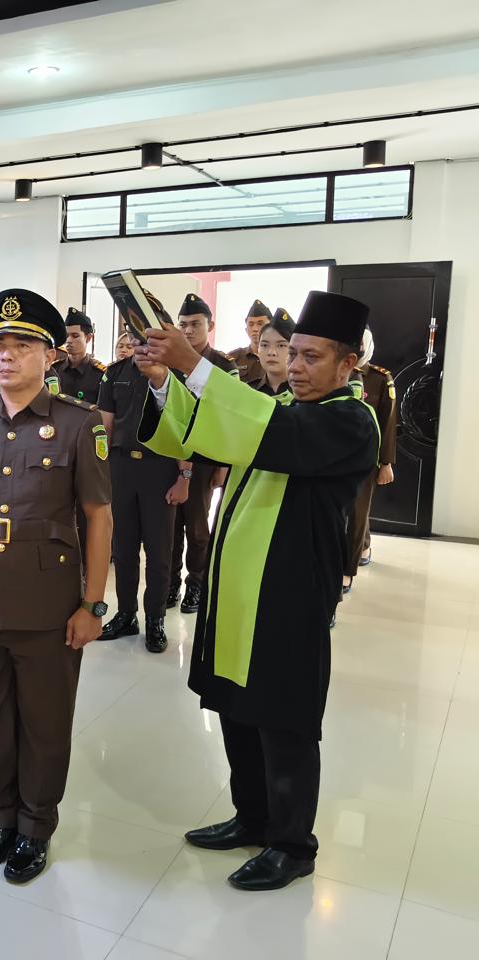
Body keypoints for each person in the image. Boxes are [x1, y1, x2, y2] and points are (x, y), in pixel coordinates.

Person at [134, 289, 378, 891]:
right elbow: (210, 436)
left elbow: (275, 434)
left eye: (312, 357)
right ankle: (253, 816)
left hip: (290, 589)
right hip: (239, 582)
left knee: (284, 719)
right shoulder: (279, 406)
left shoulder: (351, 420)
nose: (296, 367)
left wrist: (193, 363)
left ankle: (292, 844)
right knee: (237, 707)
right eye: (293, 354)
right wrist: (165, 382)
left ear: (348, 364)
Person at [0, 289, 112, 884]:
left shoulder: (79, 424)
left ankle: (35, 826)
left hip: (47, 604)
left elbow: (99, 517)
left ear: (50, 355)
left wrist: (93, 604)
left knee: (44, 721)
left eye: (23, 345)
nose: (6, 356)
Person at [97, 308, 179, 653]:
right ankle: (126, 614)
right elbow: (104, 426)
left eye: (144, 333)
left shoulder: (175, 375)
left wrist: (185, 476)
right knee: (123, 548)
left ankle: (155, 619)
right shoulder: (114, 373)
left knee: (159, 551)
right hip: (120, 467)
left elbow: (184, 429)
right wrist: (101, 471)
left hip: (160, 469)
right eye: (132, 333)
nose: (137, 340)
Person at [168, 294, 238, 615]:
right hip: (168, 454)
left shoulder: (224, 366)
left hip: (205, 458)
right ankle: (171, 583)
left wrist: (223, 464)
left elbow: (229, 418)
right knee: (169, 526)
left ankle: (196, 582)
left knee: (197, 527)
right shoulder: (169, 362)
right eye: (182, 324)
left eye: (195, 324)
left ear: (211, 326)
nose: (188, 330)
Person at [344, 330, 397, 592]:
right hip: (335, 457)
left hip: (366, 460)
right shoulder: (335, 371)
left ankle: (347, 571)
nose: (359, 348)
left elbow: (388, 423)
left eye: (362, 343)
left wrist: (386, 462)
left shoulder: (380, 378)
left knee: (357, 513)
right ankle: (362, 546)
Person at [50, 307, 107, 403]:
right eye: (66, 336)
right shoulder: (54, 370)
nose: (69, 340)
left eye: (75, 336)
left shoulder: (100, 374)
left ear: (88, 338)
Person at [227, 299, 271, 384]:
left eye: (260, 323)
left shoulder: (281, 357)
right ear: (246, 330)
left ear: (271, 328)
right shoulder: (233, 358)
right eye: (251, 324)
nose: (255, 329)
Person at [254, 309, 295, 400]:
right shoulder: (250, 391)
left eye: (281, 345)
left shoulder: (306, 392)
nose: (271, 353)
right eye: (265, 345)